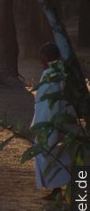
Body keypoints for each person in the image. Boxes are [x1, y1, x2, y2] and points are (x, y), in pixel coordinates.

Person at [32, 42, 72, 200]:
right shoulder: (55, 72)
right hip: (49, 120)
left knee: (47, 153)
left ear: (47, 58)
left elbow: (51, 104)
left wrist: (50, 124)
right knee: (52, 153)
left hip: (50, 121)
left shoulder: (52, 74)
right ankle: (57, 189)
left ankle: (63, 186)